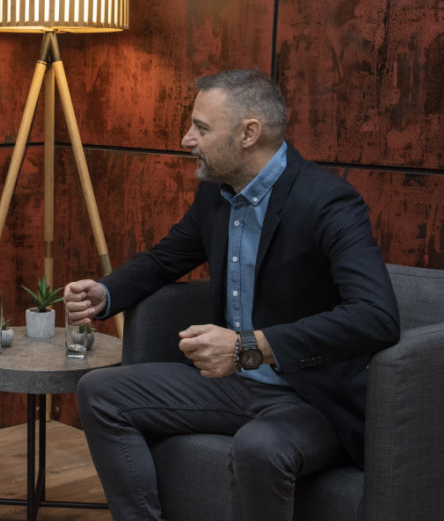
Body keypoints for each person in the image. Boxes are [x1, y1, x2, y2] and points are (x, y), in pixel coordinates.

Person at [64, 69, 400, 521]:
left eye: (201, 128)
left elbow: (376, 316)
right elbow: (165, 259)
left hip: (311, 398)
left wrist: (247, 346)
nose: (186, 139)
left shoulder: (328, 201)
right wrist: (105, 292)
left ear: (248, 133)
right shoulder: (216, 194)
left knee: (259, 447)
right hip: (234, 386)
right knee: (100, 392)